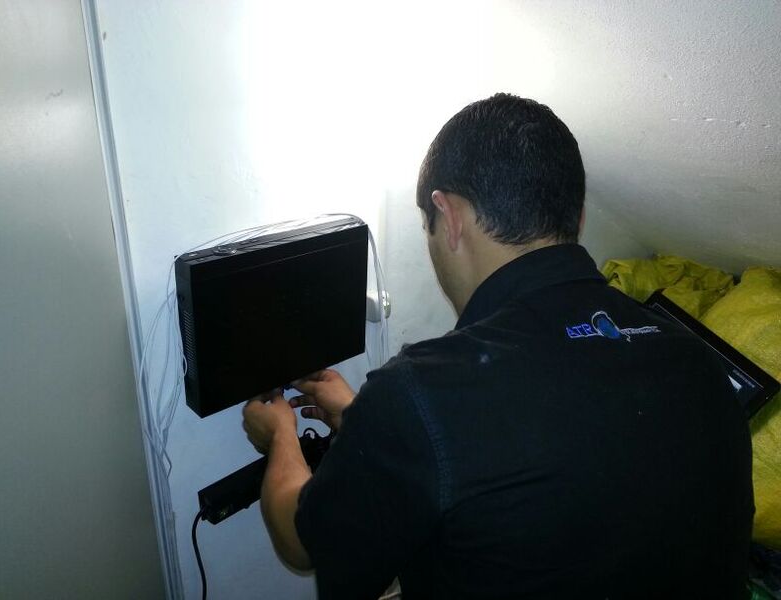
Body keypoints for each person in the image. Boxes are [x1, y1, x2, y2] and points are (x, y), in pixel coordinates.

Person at [242, 93, 753, 599]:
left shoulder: (421, 393)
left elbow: (303, 542)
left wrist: (281, 435)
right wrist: (368, 425)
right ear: (576, 218)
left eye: (427, 228)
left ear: (448, 216)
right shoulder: (698, 360)